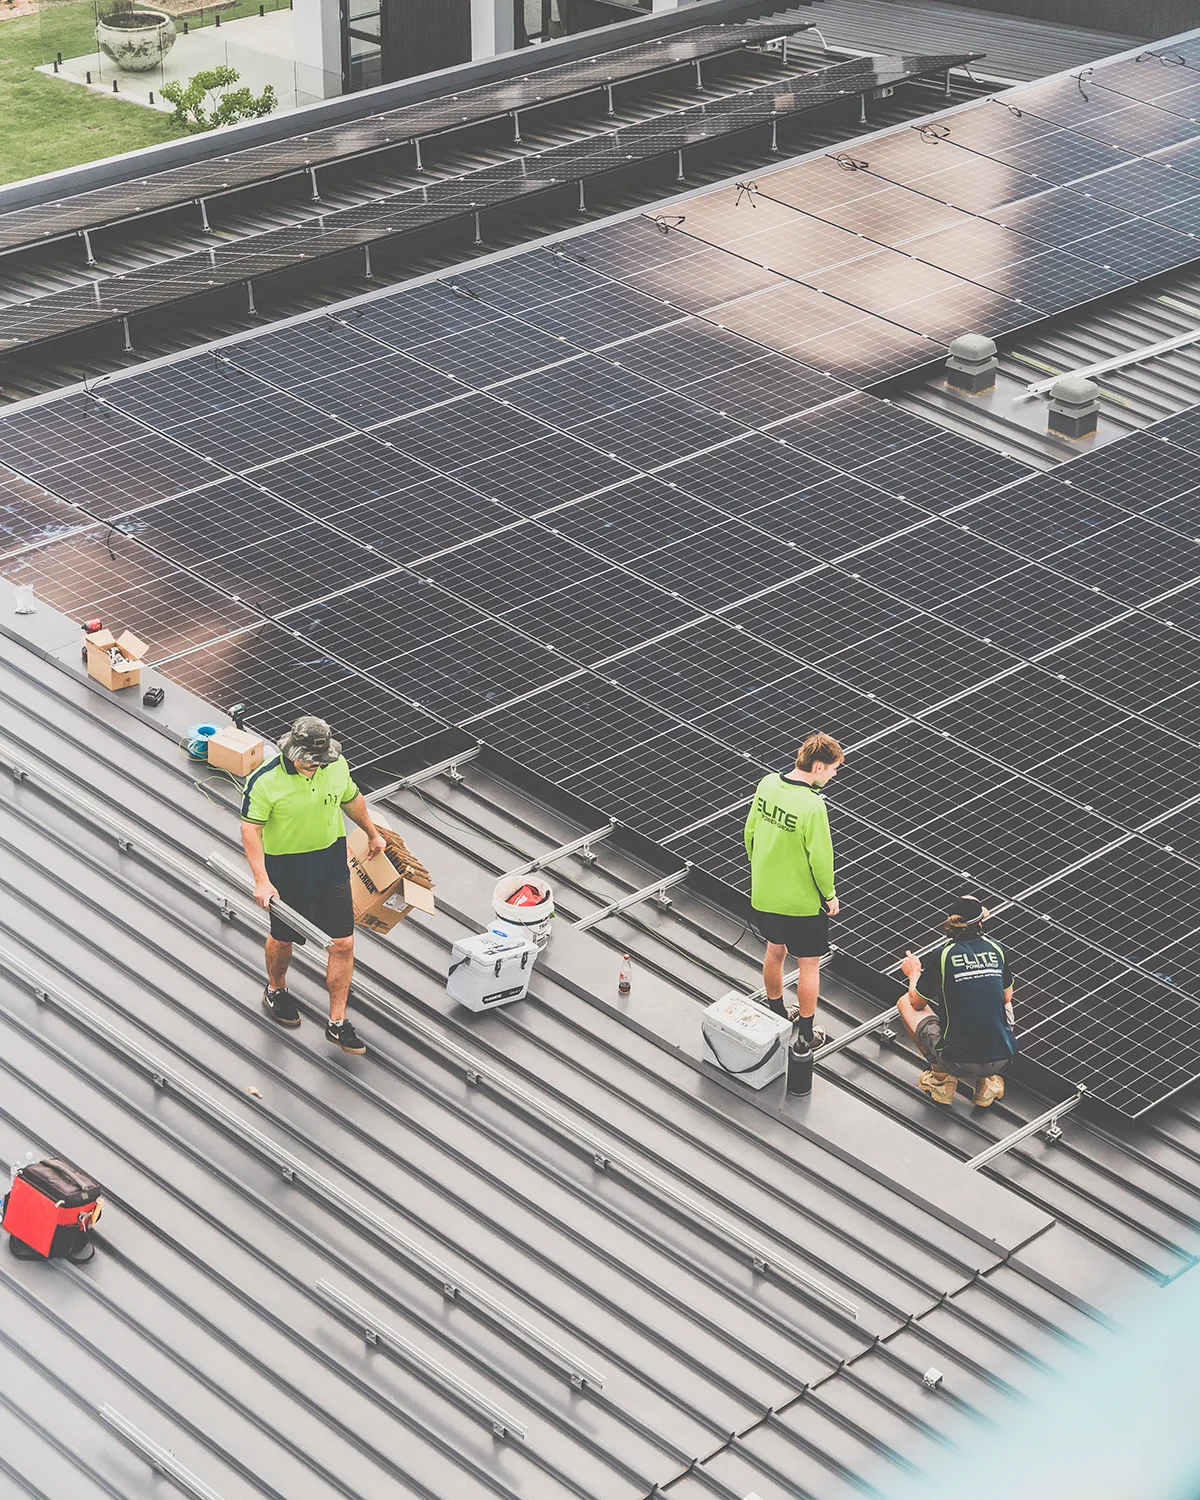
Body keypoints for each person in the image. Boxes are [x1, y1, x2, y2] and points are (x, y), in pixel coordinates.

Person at [240, 715, 387, 1057]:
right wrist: (262, 880)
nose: (313, 766)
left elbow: (351, 798)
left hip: (330, 864)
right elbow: (251, 831)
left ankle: (337, 1022)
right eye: (307, 760)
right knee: (283, 936)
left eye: (318, 761)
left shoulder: (336, 767)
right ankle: (276, 989)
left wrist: (372, 833)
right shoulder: (264, 780)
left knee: (344, 942)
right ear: (292, 750)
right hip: (287, 869)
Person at [744, 732, 843, 1049]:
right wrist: (829, 896)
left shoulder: (768, 784)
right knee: (808, 965)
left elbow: (750, 832)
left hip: (764, 895)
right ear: (817, 767)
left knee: (775, 950)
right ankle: (806, 1034)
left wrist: (762, 870)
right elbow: (821, 859)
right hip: (800, 905)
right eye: (832, 769)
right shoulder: (813, 805)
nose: (834, 774)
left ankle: (776, 1013)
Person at [897, 896, 1017, 1107]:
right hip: (1002, 1057)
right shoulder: (997, 948)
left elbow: (916, 1002)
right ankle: (987, 1084)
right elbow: (1007, 997)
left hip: (958, 1062)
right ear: (980, 924)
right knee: (1003, 1000)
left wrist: (914, 973)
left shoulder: (943, 954)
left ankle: (941, 1080)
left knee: (905, 1002)